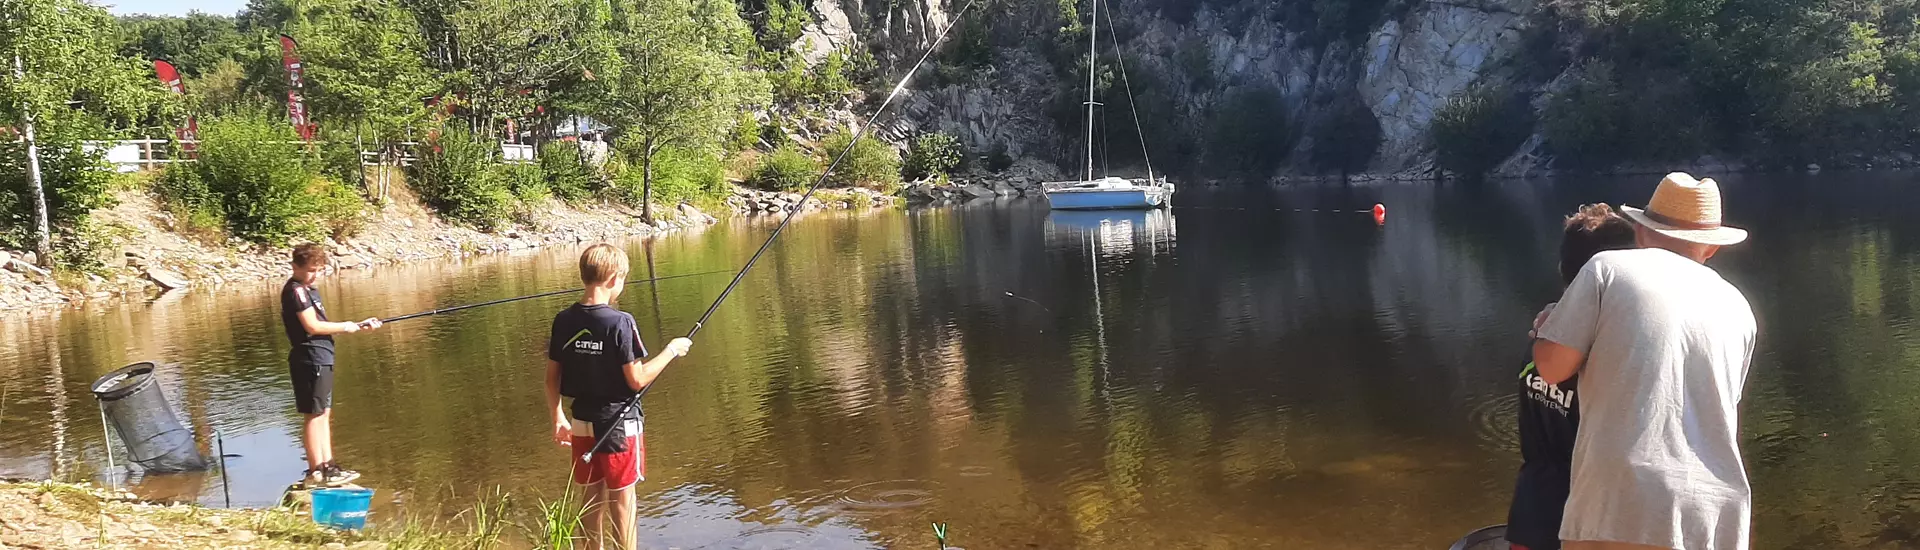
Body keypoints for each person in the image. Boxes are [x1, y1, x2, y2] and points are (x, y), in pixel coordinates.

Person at [1532, 173, 1756, 550]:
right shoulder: (1738, 305)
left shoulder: (1607, 269)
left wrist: (1546, 328)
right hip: (1717, 511)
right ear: (1712, 248)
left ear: (1641, 231)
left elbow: (1552, 369)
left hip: (1622, 503)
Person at [1506, 204, 1638, 550]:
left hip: (1530, 513)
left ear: (1563, 268)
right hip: (1587, 520)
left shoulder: (1543, 336)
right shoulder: (1609, 352)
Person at [547, 243, 692, 550]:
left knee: (589, 500)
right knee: (623, 500)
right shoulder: (620, 322)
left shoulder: (564, 319)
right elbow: (637, 380)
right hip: (618, 427)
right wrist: (671, 351)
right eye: (623, 279)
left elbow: (552, 378)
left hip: (581, 421)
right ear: (613, 278)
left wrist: (557, 417)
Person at [281, 243, 383, 488]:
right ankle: (317, 471)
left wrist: (358, 325)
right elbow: (313, 326)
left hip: (322, 357)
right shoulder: (296, 291)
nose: (314, 275)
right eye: (310, 270)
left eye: (318, 270)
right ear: (295, 266)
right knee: (314, 415)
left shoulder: (309, 289)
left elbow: (324, 324)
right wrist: (345, 326)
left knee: (324, 412)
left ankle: (329, 465)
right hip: (310, 358)